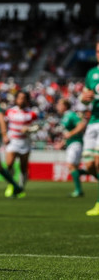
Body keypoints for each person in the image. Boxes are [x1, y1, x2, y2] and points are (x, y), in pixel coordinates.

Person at [4, 90, 38, 197]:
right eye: (19, 98)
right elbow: (4, 124)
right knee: (9, 164)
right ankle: (12, 184)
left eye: (23, 98)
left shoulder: (31, 114)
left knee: (23, 167)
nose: (21, 100)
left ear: (27, 100)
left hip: (25, 142)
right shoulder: (10, 111)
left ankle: (21, 187)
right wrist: (4, 135)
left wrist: (29, 129)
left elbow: (37, 127)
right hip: (12, 141)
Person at [79, 42, 99, 216]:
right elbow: (84, 100)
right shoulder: (91, 73)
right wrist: (85, 98)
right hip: (93, 122)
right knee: (89, 165)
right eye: (98, 51)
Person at [55, 98, 87, 198]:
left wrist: (71, 134)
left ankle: (79, 190)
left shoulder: (71, 115)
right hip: (71, 143)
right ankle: (79, 190)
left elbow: (81, 125)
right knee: (74, 167)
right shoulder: (64, 116)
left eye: (59, 105)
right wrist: (62, 143)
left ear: (65, 106)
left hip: (76, 143)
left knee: (70, 165)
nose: (57, 107)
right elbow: (67, 134)